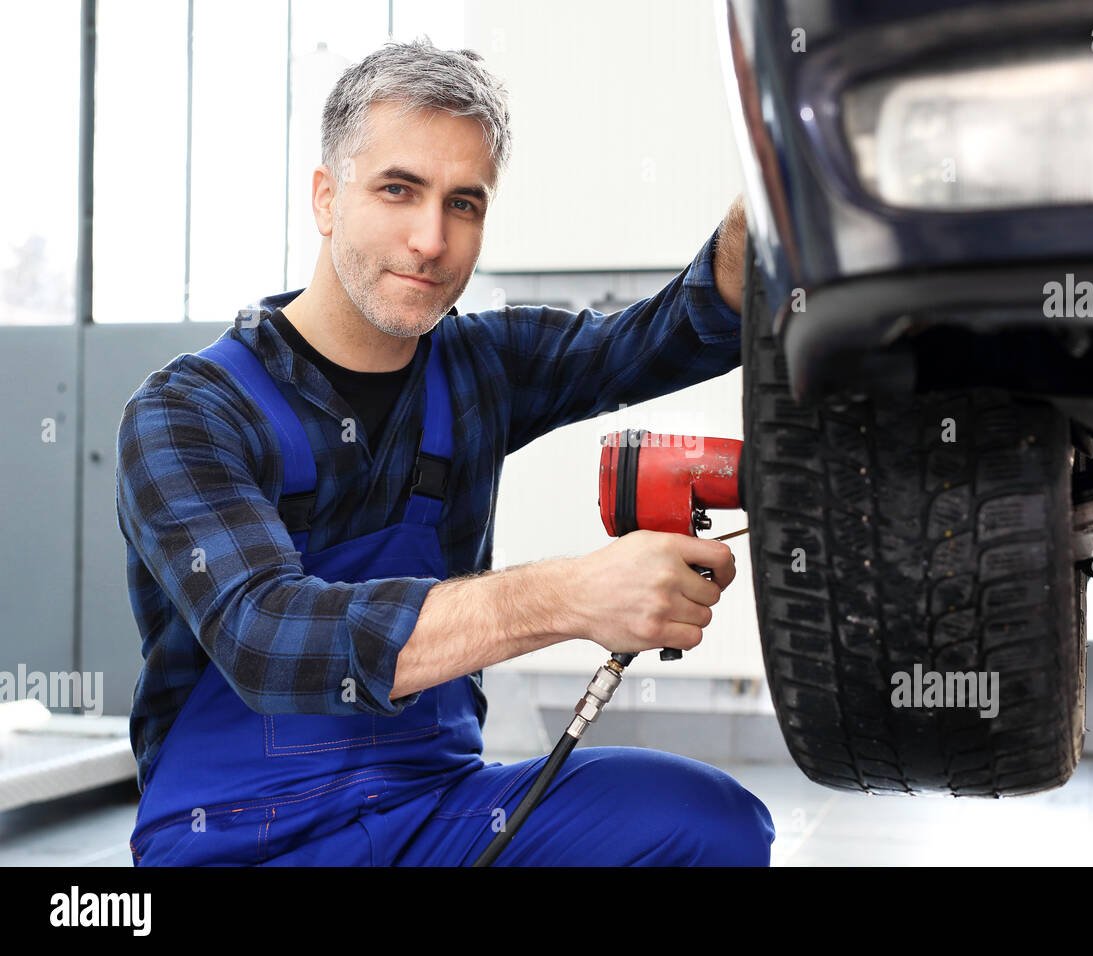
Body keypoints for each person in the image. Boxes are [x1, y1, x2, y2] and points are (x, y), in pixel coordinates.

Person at [117, 38, 774, 866]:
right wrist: (567, 596)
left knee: (706, 823)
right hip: (238, 838)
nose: (432, 239)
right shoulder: (187, 412)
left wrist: (772, 207)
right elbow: (266, 636)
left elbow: (666, 336)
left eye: (464, 203)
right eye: (399, 190)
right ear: (326, 197)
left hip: (436, 813)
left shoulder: (480, 369)